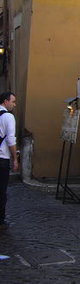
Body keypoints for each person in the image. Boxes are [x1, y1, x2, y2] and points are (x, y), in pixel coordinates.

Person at [0, 92, 17, 230]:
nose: (14, 104)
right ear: (6, 101)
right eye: (13, 101)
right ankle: (0, 220)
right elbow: (11, 140)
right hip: (2, 159)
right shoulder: (8, 117)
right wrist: (15, 159)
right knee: (1, 190)